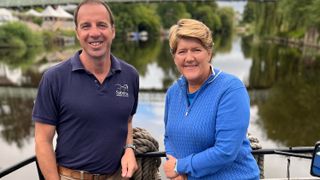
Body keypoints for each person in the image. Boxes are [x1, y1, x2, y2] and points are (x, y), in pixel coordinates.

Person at [32, 0, 139, 179]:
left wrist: (129, 148)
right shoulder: (54, 78)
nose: (94, 33)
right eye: (86, 26)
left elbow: (127, 121)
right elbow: (42, 141)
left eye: (102, 25)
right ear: (77, 32)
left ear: (113, 30)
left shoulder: (130, 75)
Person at [163, 19, 260, 180]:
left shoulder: (231, 89)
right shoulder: (173, 93)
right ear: (174, 57)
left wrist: (180, 166)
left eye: (196, 50)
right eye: (182, 51)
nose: (189, 58)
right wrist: (177, 172)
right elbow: (168, 138)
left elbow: (225, 151)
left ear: (209, 52)